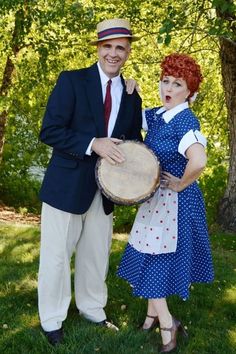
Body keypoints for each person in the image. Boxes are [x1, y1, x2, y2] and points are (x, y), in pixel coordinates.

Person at [38, 18, 142, 346]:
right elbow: (50, 130)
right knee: (56, 256)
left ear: (127, 53)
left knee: (96, 255)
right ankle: (52, 319)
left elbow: (133, 141)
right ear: (98, 48)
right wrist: (92, 143)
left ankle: (93, 310)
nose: (114, 53)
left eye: (120, 48)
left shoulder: (131, 94)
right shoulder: (71, 81)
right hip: (66, 186)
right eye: (108, 46)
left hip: (106, 190)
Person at [117, 53, 214, 353]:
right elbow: (131, 114)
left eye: (177, 83)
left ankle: (168, 325)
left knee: (153, 264)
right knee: (147, 256)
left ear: (190, 91)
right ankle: (150, 316)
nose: (168, 88)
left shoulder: (185, 120)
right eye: (165, 81)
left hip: (175, 206)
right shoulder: (160, 114)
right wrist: (128, 88)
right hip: (157, 201)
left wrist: (180, 183)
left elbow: (198, 160)